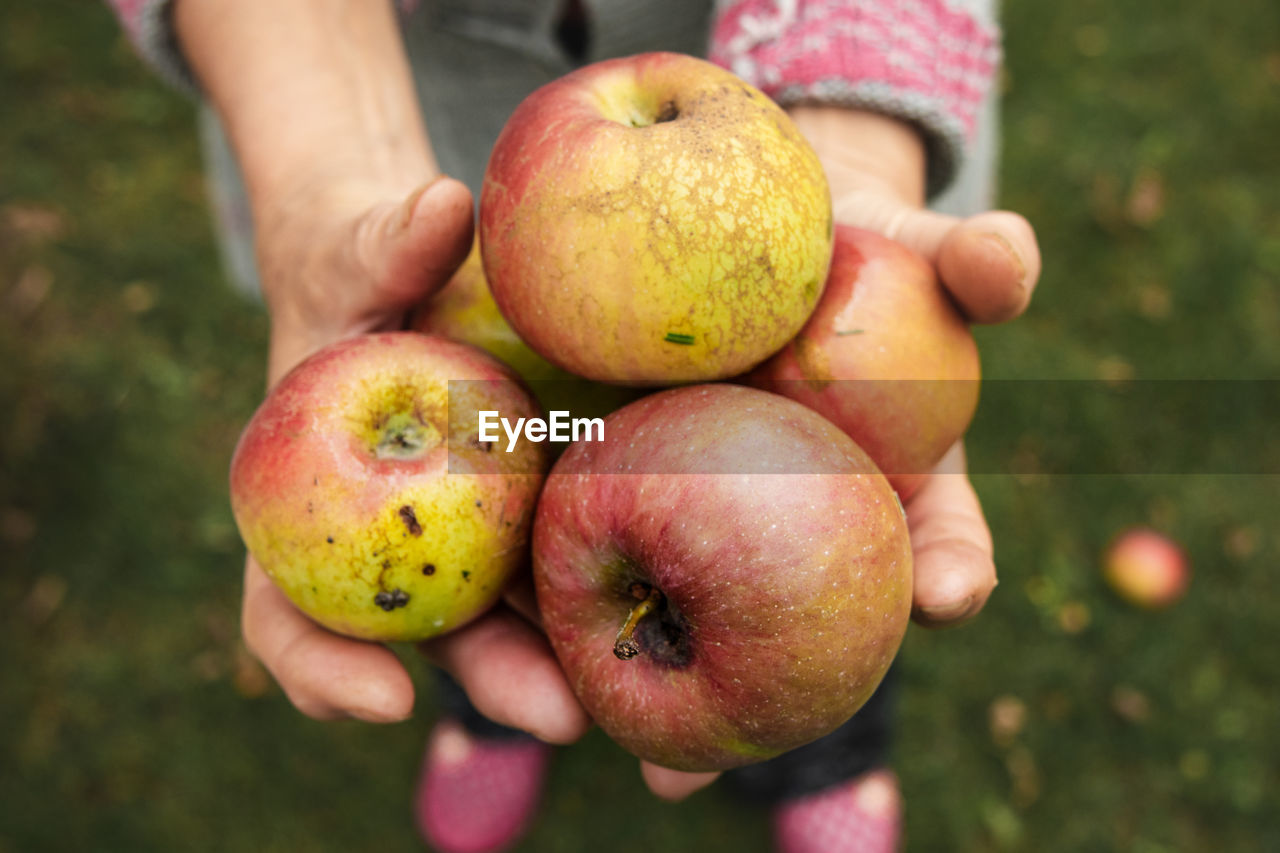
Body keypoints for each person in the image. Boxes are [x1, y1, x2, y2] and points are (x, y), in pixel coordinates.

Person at [107, 1, 1041, 850]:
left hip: (756, 91)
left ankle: (830, 756)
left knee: (828, 606)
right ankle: (490, 714)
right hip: (463, 140)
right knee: (503, 570)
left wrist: (854, 124)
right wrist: (320, 161)